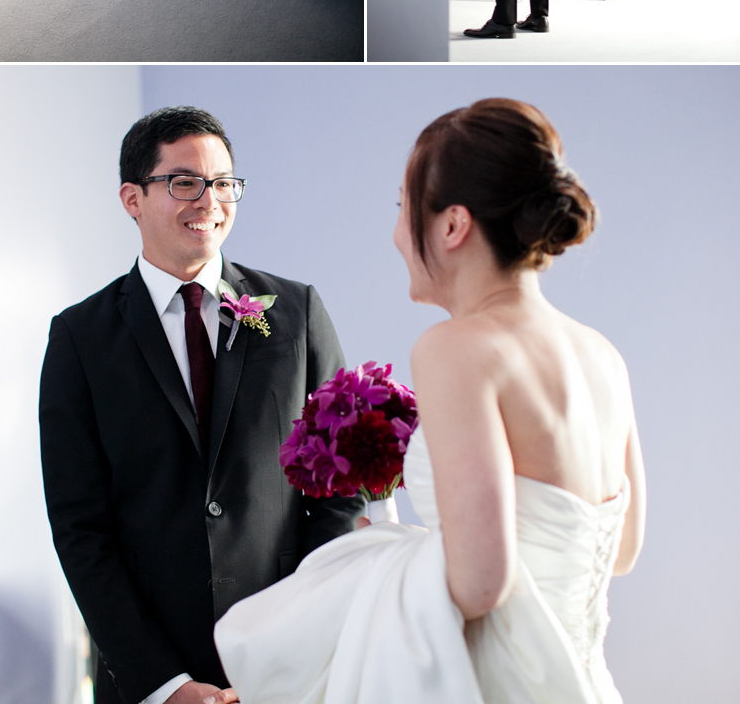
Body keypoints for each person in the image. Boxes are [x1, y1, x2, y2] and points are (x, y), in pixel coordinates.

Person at [215, 97, 646, 703]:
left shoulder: (457, 349)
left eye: (402, 206)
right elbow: (622, 550)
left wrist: (370, 562)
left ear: (451, 225)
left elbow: (479, 583)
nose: (396, 231)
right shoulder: (602, 354)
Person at [39, 104, 361, 704]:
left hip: (288, 667)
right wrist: (165, 685)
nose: (209, 200)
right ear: (132, 198)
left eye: (223, 183)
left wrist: (293, 644)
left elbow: (342, 488)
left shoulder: (296, 312)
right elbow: (80, 529)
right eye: (184, 182)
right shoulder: (80, 338)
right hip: (149, 678)